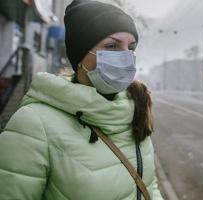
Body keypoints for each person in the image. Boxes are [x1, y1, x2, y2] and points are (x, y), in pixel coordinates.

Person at [0, 0, 163, 199]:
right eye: (111, 46)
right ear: (79, 56)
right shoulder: (33, 124)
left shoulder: (134, 111)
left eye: (131, 48)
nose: (125, 57)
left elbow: (149, 185)